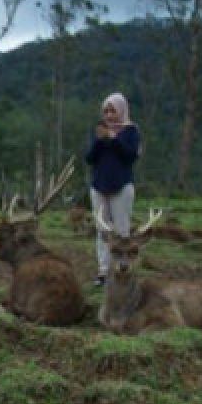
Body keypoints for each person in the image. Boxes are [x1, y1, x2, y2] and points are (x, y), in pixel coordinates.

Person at [84, 92, 142, 286]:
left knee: (122, 231)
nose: (109, 115)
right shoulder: (100, 132)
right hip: (99, 186)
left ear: (121, 111)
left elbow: (130, 155)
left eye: (113, 111)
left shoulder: (130, 131)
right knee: (102, 230)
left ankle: (122, 271)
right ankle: (103, 271)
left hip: (121, 187)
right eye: (106, 111)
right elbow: (90, 158)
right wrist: (100, 140)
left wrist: (113, 138)